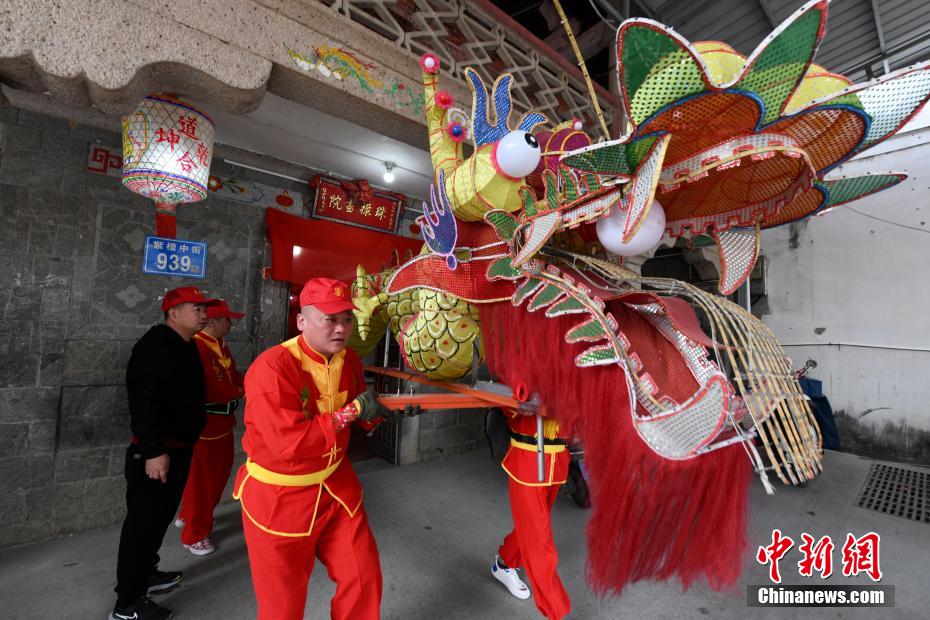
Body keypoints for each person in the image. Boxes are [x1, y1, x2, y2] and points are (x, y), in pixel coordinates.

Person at [234, 276, 389, 620]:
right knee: (282, 606)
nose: (341, 329)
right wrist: (352, 412)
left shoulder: (348, 360)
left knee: (363, 578)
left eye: (347, 319)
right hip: (280, 495)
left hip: (336, 486)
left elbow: (361, 412)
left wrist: (385, 411)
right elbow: (288, 442)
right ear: (302, 321)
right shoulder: (272, 367)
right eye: (329, 319)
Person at [110, 286, 218, 620]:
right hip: (156, 454)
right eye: (196, 309)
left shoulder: (185, 345)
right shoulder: (154, 347)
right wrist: (154, 451)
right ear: (173, 313)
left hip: (179, 449)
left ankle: (146, 574)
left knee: (157, 521)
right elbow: (144, 404)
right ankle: (127, 605)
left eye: (205, 309)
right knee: (142, 526)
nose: (204, 314)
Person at [175, 299, 245, 555]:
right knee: (201, 482)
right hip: (204, 427)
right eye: (228, 319)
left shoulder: (220, 345)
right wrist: (240, 390)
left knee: (215, 477)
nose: (232, 324)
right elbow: (211, 386)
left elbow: (233, 375)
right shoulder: (197, 347)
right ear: (213, 322)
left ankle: (192, 514)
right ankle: (194, 533)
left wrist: (245, 384)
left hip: (222, 424)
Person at [491, 404, 572, 620]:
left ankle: (504, 562)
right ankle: (556, 611)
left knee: (532, 526)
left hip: (557, 460)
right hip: (528, 460)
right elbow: (508, 401)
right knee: (539, 538)